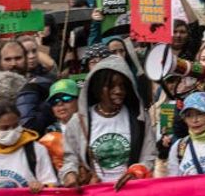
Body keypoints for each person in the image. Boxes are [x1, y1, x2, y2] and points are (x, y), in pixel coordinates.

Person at [59, 55, 157, 186]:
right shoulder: (78, 122)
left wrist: (136, 172)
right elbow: (70, 159)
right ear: (98, 88)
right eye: (111, 86)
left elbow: (149, 156)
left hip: (130, 194)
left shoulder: (139, 119)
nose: (118, 91)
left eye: (122, 86)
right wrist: (69, 174)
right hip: (95, 194)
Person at [38, 79, 79, 169]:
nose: (60, 104)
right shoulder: (49, 134)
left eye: (66, 98)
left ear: (79, 100)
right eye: (54, 101)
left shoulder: (91, 125)